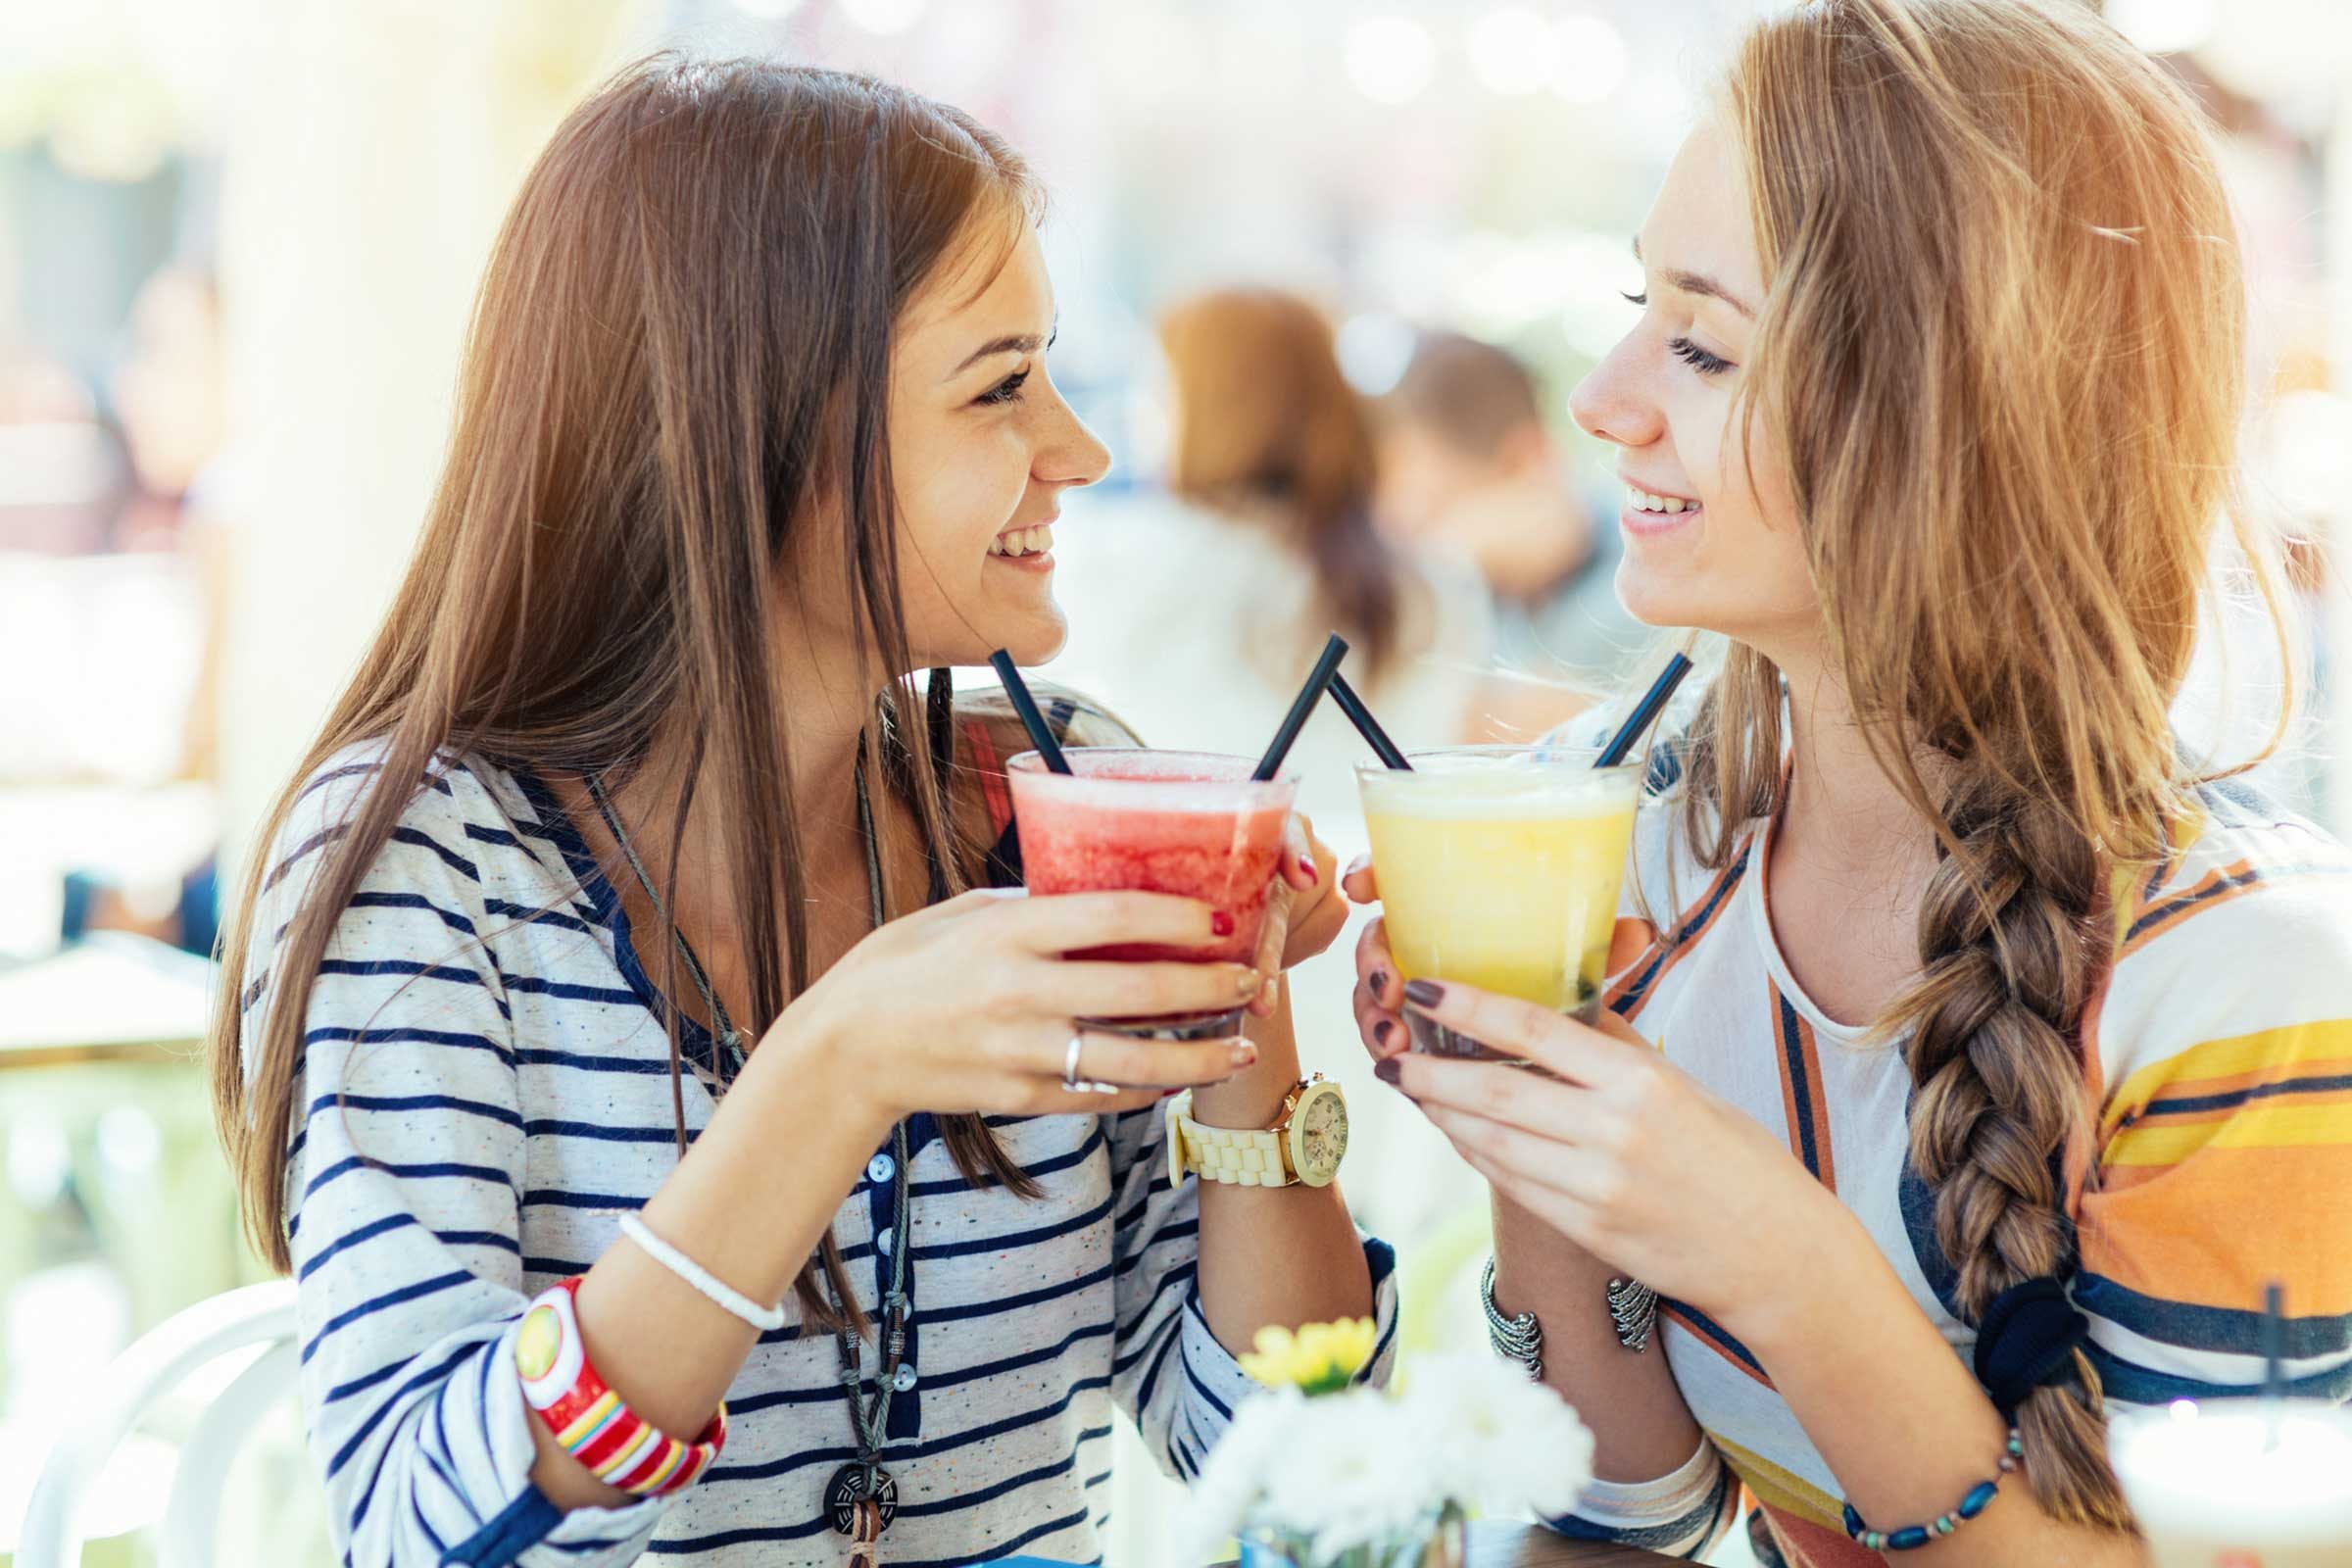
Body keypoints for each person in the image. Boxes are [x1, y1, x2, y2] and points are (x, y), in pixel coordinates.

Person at [208, 59, 1393, 1568]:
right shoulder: (431, 866)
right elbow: (418, 1512)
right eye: (1001, 384)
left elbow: (1290, 1459)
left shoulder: (1060, 800)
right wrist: (837, 1064)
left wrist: (1238, 1021)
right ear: (752, 424)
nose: (1082, 452)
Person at [1348, 2, 2352, 1563]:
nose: (1605, 398)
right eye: (1637, 309)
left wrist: (1772, 1255)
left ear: (1945, 419)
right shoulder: (1633, 846)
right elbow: (1626, 1514)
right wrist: (1532, 1120)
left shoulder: (2245, 985)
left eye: (1700, 341)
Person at [1052, 287, 1491, 842]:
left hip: (1203, 894)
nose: (1143, 410)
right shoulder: (1437, 578)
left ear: (1205, 407)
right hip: (1386, 896)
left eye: (1159, 388)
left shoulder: (1124, 558)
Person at [1374, 330, 1644, 741]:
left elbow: (1453, 740)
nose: (1396, 527)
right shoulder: (1491, 595)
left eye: (1430, 504)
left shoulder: (1641, 590)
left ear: (1524, 460)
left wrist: (1447, 564)